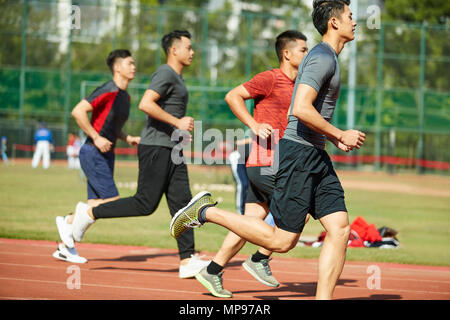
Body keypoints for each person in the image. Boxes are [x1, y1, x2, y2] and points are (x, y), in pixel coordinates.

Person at [170, 0, 366, 300]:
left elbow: (307, 113)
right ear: (334, 23)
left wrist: (331, 139)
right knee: (283, 240)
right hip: (297, 156)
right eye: (350, 16)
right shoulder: (322, 57)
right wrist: (339, 132)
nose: (356, 21)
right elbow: (299, 109)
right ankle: (205, 212)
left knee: (339, 228)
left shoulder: (328, 58)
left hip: (314, 155)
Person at [66, 30, 209, 278]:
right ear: (174, 50)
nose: (192, 51)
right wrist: (177, 122)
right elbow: (146, 103)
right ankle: (88, 213)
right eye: (188, 47)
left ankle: (187, 260)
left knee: (183, 203)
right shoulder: (165, 72)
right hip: (156, 148)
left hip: (172, 148)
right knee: (145, 204)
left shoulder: (177, 77)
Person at [193, 30, 309, 298]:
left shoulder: (302, 85)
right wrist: (254, 125)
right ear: (287, 53)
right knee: (303, 207)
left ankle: (212, 270)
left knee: (248, 223)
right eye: (303, 49)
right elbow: (233, 96)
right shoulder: (270, 78)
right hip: (267, 162)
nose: (307, 54)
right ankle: (259, 258)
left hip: (278, 162)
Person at [53, 49, 140, 263]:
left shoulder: (125, 97)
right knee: (112, 201)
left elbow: (111, 126)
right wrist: (95, 136)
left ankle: (65, 246)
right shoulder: (108, 90)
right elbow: (78, 111)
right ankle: (68, 221)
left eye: (133, 63)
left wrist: (128, 138)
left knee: (95, 203)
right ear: (117, 67)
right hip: (93, 152)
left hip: (106, 155)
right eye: (129, 63)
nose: (133, 66)